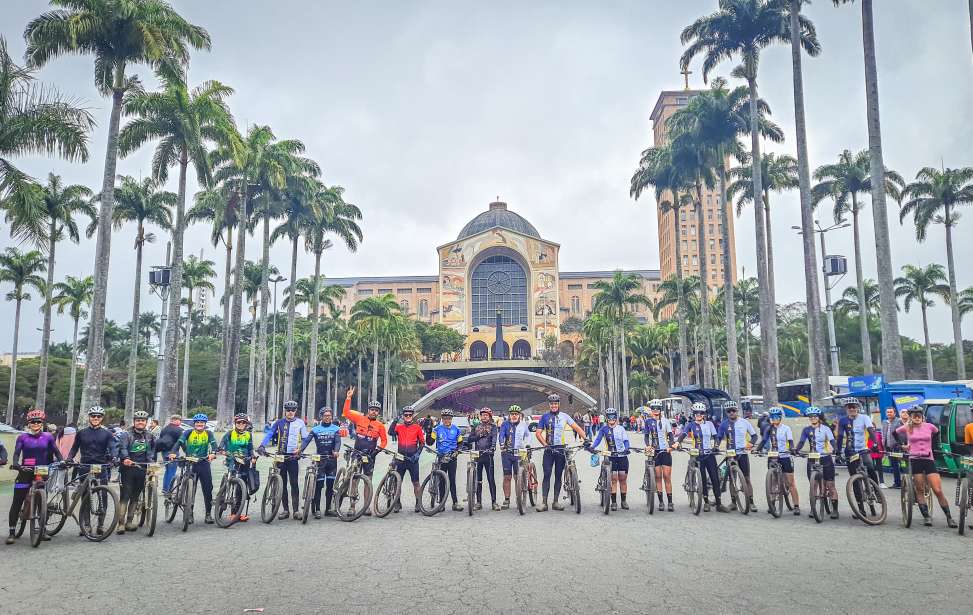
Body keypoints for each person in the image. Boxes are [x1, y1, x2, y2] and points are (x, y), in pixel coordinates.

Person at [6, 409, 62, 544]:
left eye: (38, 422)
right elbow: (16, 453)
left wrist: (62, 461)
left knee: (42, 501)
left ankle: (41, 530)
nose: (35, 424)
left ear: (42, 423)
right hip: (25, 471)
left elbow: (56, 452)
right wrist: (16, 464)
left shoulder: (48, 437)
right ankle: (12, 532)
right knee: (17, 500)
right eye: (33, 422)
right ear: (29, 423)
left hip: (41, 471)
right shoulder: (22, 437)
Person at [896, 408, 957, 528]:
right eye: (914, 416)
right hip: (915, 459)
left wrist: (933, 447)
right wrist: (902, 446)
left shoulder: (929, 426)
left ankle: (949, 518)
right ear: (911, 417)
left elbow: (938, 433)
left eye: (919, 415)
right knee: (919, 489)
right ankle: (927, 517)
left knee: (937, 490)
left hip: (928, 459)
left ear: (922, 416)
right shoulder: (907, 428)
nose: (917, 418)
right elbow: (895, 433)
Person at [67, 406, 118, 535]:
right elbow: (74, 448)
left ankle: (100, 525)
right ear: (89, 417)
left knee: (103, 495)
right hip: (85, 466)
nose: (95, 418)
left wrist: (115, 457)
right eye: (93, 416)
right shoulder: (81, 433)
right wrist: (69, 458)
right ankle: (86, 525)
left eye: (98, 416)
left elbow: (112, 447)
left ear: (102, 418)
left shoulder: (107, 434)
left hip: (101, 467)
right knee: (85, 496)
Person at [534, 393, 588, 512]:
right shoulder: (544, 417)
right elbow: (538, 433)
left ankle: (555, 502)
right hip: (548, 449)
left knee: (558, 475)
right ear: (549, 405)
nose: (553, 405)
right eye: (552, 403)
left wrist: (586, 438)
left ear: (558, 404)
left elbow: (577, 428)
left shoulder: (565, 416)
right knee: (547, 474)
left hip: (560, 450)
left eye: (555, 403)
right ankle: (544, 503)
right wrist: (545, 444)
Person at [258, 400, 309, 520]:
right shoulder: (279, 422)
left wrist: (301, 449)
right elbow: (270, 433)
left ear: (296, 411)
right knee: (282, 484)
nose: (290, 412)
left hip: (293, 456)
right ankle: (286, 510)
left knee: (294, 483)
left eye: (293, 410)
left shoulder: (300, 423)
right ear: (285, 411)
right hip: (280, 456)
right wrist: (262, 445)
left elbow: (306, 438)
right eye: (288, 410)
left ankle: (296, 511)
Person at [341, 386, 388, 516]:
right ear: (368, 410)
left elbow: (384, 441)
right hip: (357, 453)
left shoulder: (380, 426)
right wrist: (348, 398)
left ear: (378, 412)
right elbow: (346, 412)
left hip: (370, 456)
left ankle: (366, 506)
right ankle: (352, 506)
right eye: (372, 410)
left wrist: (378, 450)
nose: (374, 412)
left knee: (368, 481)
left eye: (376, 410)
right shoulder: (359, 418)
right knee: (354, 480)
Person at [676, 402, 729, 513]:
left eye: (701, 413)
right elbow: (683, 434)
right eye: (696, 413)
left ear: (704, 414)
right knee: (702, 479)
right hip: (696, 455)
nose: (698, 415)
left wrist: (715, 446)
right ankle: (705, 502)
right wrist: (678, 443)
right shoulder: (690, 424)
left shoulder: (709, 424)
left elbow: (716, 437)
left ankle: (719, 503)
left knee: (715, 478)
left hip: (709, 454)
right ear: (694, 414)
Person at [168, 413, 218, 524]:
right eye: (197, 422)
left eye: (202, 423)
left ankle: (208, 514)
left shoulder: (208, 433)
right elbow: (179, 442)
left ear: (205, 424)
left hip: (204, 463)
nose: (200, 424)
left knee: (208, 489)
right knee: (191, 489)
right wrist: (173, 453)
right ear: (194, 424)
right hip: (190, 463)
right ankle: (189, 513)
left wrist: (213, 453)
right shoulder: (188, 432)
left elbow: (214, 445)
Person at [116, 410, 157, 533]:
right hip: (128, 469)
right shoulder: (126, 434)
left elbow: (151, 451)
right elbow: (123, 448)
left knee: (135, 496)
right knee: (125, 496)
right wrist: (126, 458)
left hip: (142, 469)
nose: (140, 422)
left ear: (146, 422)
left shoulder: (149, 435)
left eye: (143, 421)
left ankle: (129, 522)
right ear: (134, 422)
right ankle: (121, 524)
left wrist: (152, 463)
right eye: (138, 420)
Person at [794, 406, 839, 519]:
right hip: (812, 458)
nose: (813, 418)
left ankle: (835, 510)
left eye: (815, 416)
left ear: (818, 417)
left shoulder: (825, 429)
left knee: (830, 484)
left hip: (825, 458)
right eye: (811, 417)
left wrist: (836, 449)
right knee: (813, 485)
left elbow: (832, 441)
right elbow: (801, 441)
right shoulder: (806, 430)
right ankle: (813, 507)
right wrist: (796, 450)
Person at [716, 400, 758, 512]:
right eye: (729, 411)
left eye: (733, 410)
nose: (731, 413)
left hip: (742, 454)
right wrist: (716, 446)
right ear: (726, 412)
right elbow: (719, 438)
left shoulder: (745, 422)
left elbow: (754, 436)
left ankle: (751, 501)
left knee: (747, 479)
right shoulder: (723, 424)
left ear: (737, 411)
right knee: (732, 479)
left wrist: (751, 444)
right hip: (730, 454)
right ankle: (733, 502)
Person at [757, 407, 800, 516]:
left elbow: (790, 441)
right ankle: (772, 504)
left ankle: (796, 506)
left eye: (777, 417)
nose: (775, 419)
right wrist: (757, 450)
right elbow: (764, 440)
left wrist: (792, 449)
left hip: (784, 455)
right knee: (773, 481)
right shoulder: (768, 428)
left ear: (780, 417)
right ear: (770, 418)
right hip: (773, 456)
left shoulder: (786, 428)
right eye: (772, 417)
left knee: (790, 482)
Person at [300, 407, 341, 518]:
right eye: (325, 416)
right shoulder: (315, 429)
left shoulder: (336, 428)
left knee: (330, 485)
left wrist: (336, 451)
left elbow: (338, 442)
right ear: (321, 417)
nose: (327, 417)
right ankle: (317, 509)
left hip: (332, 460)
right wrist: (300, 450)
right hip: (320, 460)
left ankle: (328, 509)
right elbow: (306, 441)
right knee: (319, 485)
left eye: (329, 415)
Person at [835, 397, 880, 497]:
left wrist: (875, 443)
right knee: (854, 477)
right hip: (850, 451)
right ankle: (860, 507)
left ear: (858, 408)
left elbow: (870, 430)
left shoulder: (865, 417)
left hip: (863, 449)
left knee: (870, 468)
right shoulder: (843, 421)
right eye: (849, 407)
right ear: (846, 409)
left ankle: (877, 492)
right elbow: (840, 436)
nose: (852, 409)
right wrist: (838, 452)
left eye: (854, 407)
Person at [589, 408, 631, 510]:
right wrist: (592, 447)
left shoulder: (621, 428)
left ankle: (624, 501)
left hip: (622, 456)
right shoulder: (603, 429)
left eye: (613, 416)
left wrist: (626, 449)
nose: (611, 419)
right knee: (613, 479)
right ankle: (614, 502)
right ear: (606, 418)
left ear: (616, 417)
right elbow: (598, 439)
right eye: (609, 417)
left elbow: (626, 441)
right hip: (610, 456)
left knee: (622, 478)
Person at [219, 413, 258, 522]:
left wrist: (253, 457)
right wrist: (222, 450)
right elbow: (221, 445)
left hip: (244, 461)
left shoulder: (248, 435)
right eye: (238, 422)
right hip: (232, 460)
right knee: (234, 482)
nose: (241, 424)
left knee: (242, 488)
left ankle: (237, 513)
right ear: (235, 423)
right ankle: (224, 500)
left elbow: (250, 448)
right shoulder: (229, 434)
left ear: (246, 424)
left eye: (243, 422)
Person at [390, 406, 425, 513]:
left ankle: (418, 503)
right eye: (406, 415)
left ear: (412, 416)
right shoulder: (399, 427)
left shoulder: (417, 427)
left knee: (416, 482)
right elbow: (390, 432)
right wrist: (394, 421)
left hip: (412, 459)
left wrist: (418, 454)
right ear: (403, 416)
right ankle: (397, 502)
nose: (408, 417)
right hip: (400, 458)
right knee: (397, 482)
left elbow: (422, 443)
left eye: (410, 415)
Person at [643, 400, 675, 511]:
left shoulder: (666, 421)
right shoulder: (648, 421)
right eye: (653, 409)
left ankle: (670, 502)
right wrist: (647, 446)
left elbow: (671, 435)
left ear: (660, 410)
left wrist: (671, 446)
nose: (655, 411)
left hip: (665, 451)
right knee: (658, 477)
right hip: (654, 451)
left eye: (657, 408)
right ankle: (661, 502)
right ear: (651, 410)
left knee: (667, 476)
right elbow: (646, 436)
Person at [430, 409, 464, 511]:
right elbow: (430, 442)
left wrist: (457, 451)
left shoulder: (456, 429)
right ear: (442, 419)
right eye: (444, 418)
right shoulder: (437, 429)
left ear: (451, 419)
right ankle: (442, 503)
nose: (446, 420)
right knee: (441, 480)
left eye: (448, 418)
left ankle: (455, 503)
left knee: (452, 480)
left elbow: (460, 443)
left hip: (452, 458)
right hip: (441, 457)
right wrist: (428, 432)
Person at [466, 407, 500, 511]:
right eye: (482, 415)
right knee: (478, 480)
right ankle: (478, 502)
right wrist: (479, 435)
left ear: (490, 416)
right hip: (478, 455)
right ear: (480, 416)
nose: (484, 417)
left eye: (486, 415)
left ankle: (494, 502)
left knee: (491, 479)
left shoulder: (493, 427)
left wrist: (493, 447)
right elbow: (470, 439)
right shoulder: (476, 426)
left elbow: (494, 437)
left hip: (488, 455)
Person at [498, 405, 531, 509]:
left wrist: (527, 445)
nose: (514, 416)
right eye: (512, 414)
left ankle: (519, 498)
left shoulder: (523, 424)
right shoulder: (505, 424)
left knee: (518, 477)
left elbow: (528, 436)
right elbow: (501, 435)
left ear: (519, 415)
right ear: (509, 415)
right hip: (507, 453)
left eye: (516, 414)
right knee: (507, 477)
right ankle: (507, 499)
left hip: (519, 454)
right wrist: (502, 444)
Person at [156, 414, 183, 495]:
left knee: (167, 470)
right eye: (179, 420)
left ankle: (165, 488)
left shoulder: (164, 429)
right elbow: (181, 442)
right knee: (172, 471)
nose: (180, 422)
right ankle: (169, 489)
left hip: (164, 452)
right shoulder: (179, 430)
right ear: (176, 420)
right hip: (173, 452)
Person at [881, 407, 904, 489]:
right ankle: (897, 482)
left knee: (897, 464)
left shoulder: (899, 421)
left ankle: (899, 483)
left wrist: (900, 444)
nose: (889, 414)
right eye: (887, 412)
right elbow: (883, 434)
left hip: (897, 446)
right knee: (894, 465)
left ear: (894, 413)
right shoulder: (884, 422)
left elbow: (902, 434)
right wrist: (884, 445)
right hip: (888, 447)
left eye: (891, 412)